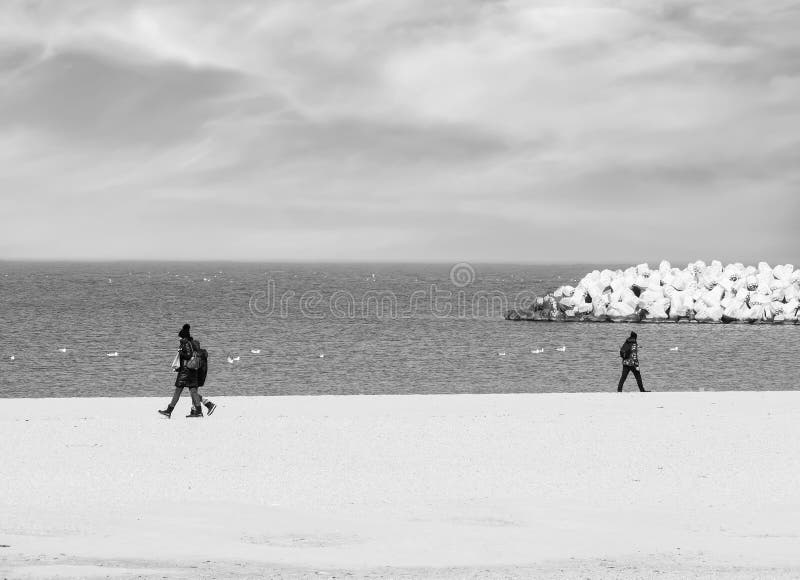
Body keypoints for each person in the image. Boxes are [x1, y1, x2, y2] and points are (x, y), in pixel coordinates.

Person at [158, 324, 205, 418]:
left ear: (183, 337)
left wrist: (180, 352)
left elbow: (188, 355)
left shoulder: (186, 343)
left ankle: (169, 411)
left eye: (180, 336)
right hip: (191, 372)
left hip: (185, 372)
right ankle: (199, 412)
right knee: (193, 392)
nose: (178, 338)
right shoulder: (190, 343)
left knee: (177, 391)